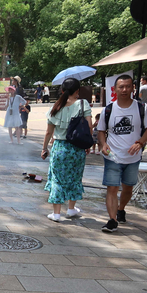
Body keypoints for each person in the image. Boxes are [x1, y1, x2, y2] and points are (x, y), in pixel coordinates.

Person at [97, 74, 147, 233]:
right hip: (112, 156)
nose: (124, 89)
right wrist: (103, 144)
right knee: (112, 188)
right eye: (121, 87)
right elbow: (101, 131)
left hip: (133, 157)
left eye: (128, 86)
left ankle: (121, 208)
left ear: (133, 88)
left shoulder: (142, 108)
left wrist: (140, 142)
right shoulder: (108, 110)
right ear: (115, 89)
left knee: (128, 188)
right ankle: (112, 220)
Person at [40, 78, 92, 222]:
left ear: (62, 91)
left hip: (60, 148)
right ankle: (71, 209)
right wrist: (87, 145)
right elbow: (89, 127)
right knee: (75, 177)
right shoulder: (83, 104)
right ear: (77, 91)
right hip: (77, 148)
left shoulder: (54, 107)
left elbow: (48, 133)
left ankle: (56, 213)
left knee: (57, 179)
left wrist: (44, 148)